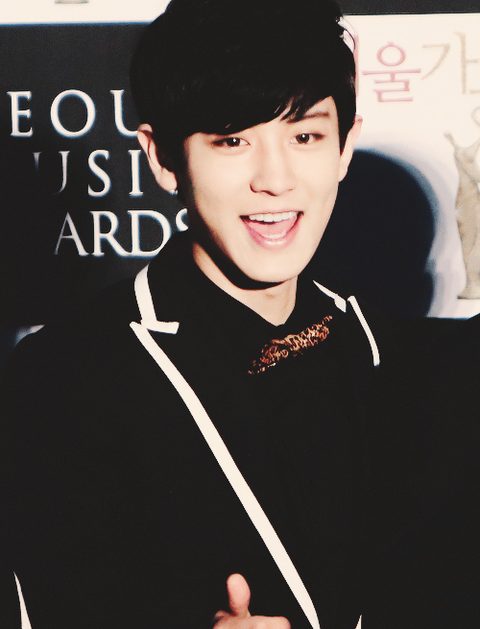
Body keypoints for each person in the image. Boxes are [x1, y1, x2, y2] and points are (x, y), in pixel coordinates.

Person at [3, 0, 459, 627]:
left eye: (305, 136)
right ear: (163, 158)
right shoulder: (65, 377)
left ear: (344, 147)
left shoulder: (414, 362)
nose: (274, 179)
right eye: (232, 140)